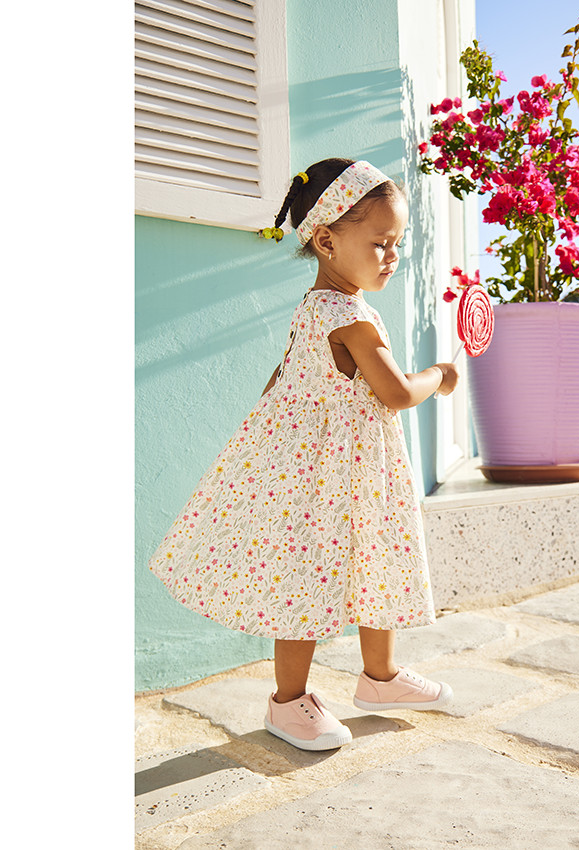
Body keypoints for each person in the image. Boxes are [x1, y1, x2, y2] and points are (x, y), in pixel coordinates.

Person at [148, 158, 460, 751]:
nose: (391, 256)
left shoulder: (311, 311)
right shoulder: (350, 319)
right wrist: (440, 375)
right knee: (306, 583)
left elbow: (280, 382)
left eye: (397, 244)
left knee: (373, 562)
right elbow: (394, 393)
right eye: (379, 243)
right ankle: (288, 703)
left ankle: (380, 680)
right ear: (325, 240)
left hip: (341, 470)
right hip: (333, 477)